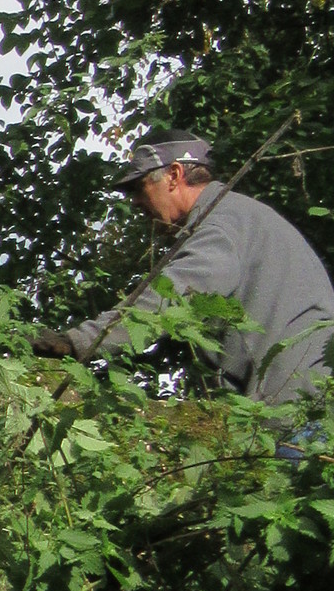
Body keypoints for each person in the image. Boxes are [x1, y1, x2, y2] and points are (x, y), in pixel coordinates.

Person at [34, 132, 334, 405]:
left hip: (298, 400)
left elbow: (170, 300)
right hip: (310, 391)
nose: (135, 202)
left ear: (174, 175)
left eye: (139, 187)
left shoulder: (220, 225)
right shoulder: (240, 215)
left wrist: (78, 342)